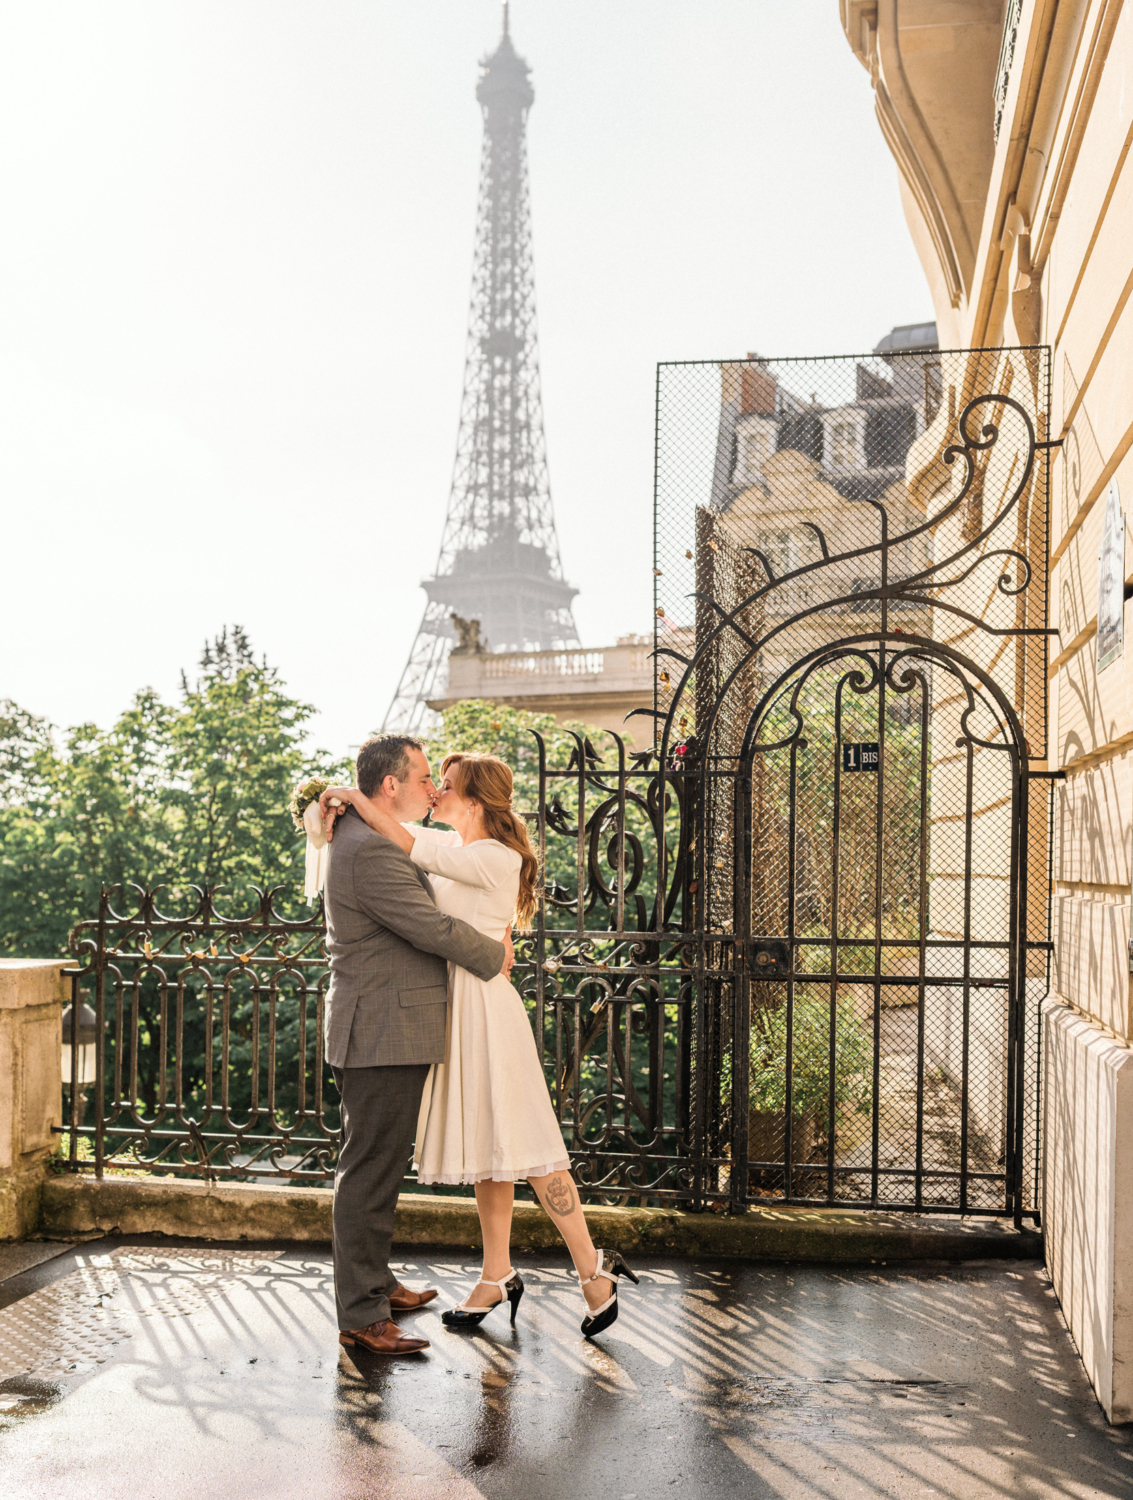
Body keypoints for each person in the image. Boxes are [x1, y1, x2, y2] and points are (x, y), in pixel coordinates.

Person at [321, 751, 638, 1339]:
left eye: (444, 786)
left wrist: (353, 796)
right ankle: (496, 1274)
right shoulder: (461, 854)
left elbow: (411, 842)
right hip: (459, 1012)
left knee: (533, 1147)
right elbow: (406, 836)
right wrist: (335, 808)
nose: (435, 793)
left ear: (474, 801)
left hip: (488, 1013)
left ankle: (594, 1270)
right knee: (494, 1150)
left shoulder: (494, 856)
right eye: (430, 783)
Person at [323, 734, 515, 1358]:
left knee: (378, 1166)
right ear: (390, 786)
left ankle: (374, 1285)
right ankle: (361, 1313)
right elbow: (429, 927)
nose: (433, 788)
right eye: (424, 777)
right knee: (369, 1172)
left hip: (388, 1027)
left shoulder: (367, 834)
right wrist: (496, 958)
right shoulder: (369, 851)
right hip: (380, 1029)